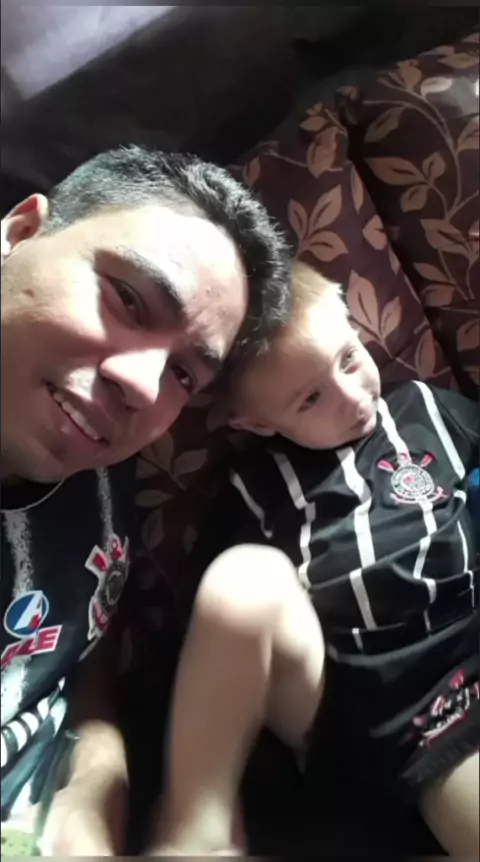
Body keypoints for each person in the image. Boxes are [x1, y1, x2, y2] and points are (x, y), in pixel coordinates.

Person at [0, 144, 291, 856]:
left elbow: (75, 648)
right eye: (128, 299)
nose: (142, 385)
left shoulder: (100, 467)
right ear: (19, 232)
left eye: (184, 375)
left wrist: (95, 781)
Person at [151, 262, 479, 858]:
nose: (352, 398)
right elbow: (225, 646)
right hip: (389, 702)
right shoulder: (256, 489)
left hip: (469, 630)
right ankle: (194, 834)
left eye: (349, 359)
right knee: (241, 581)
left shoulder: (428, 409)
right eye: (310, 399)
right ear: (256, 422)